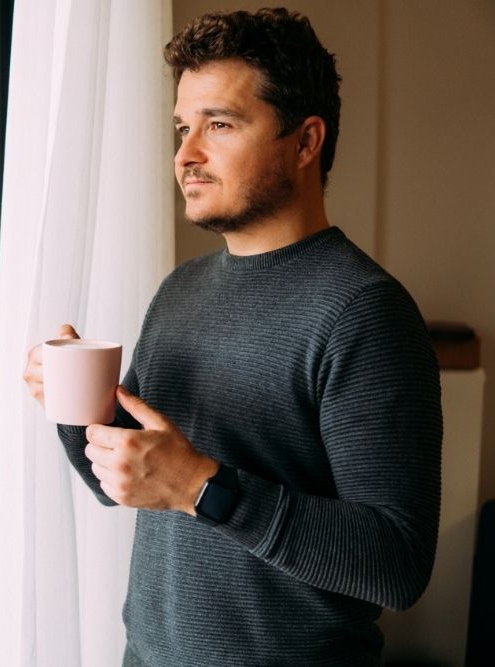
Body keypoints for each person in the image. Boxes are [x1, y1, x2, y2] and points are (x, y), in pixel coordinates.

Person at [23, 8, 441, 665]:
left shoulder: (366, 313)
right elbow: (126, 481)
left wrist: (202, 487)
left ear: (305, 142)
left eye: (219, 124)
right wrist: (82, 411)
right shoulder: (180, 290)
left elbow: (396, 562)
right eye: (183, 128)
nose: (186, 154)